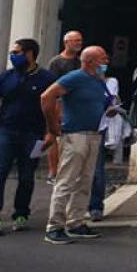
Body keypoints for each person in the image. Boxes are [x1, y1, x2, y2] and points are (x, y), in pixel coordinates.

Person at [0, 39, 54, 236]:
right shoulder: (6, 77)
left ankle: (21, 212)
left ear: (29, 54)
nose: (13, 55)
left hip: (33, 133)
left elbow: (53, 107)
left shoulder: (46, 78)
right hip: (5, 130)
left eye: (17, 52)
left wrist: (51, 131)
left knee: (27, 175)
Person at [40, 45, 112, 245]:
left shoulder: (98, 81)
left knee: (85, 181)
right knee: (67, 180)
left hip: (94, 134)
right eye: (102, 58)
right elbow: (47, 96)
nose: (106, 61)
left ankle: (75, 222)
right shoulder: (74, 78)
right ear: (89, 61)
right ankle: (54, 226)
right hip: (75, 134)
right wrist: (52, 125)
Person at [45, 30, 83, 184]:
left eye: (80, 41)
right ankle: (53, 170)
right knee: (53, 136)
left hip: (76, 104)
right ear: (66, 42)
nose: (79, 43)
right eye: (75, 41)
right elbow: (51, 87)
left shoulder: (81, 61)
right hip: (59, 103)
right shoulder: (56, 62)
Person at [87, 73, 123, 222]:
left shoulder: (110, 82)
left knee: (97, 170)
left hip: (98, 129)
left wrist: (113, 107)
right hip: (77, 128)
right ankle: (73, 209)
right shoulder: (77, 79)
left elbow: (113, 102)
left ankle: (95, 206)